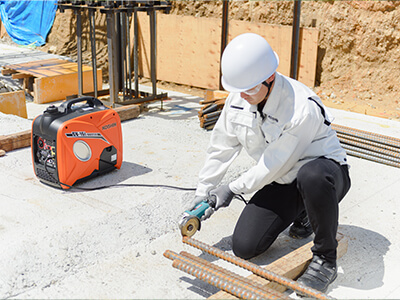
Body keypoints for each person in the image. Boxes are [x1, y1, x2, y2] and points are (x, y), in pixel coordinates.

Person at [187, 33, 351, 293]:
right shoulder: (240, 98)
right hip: (283, 178)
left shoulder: (300, 108)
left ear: (270, 77)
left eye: (251, 88)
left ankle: (325, 259)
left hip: (325, 173)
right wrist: (203, 192)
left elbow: (273, 163)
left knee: (311, 176)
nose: (244, 95)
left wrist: (231, 189)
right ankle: (306, 213)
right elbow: (221, 146)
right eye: (239, 89)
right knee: (244, 246)